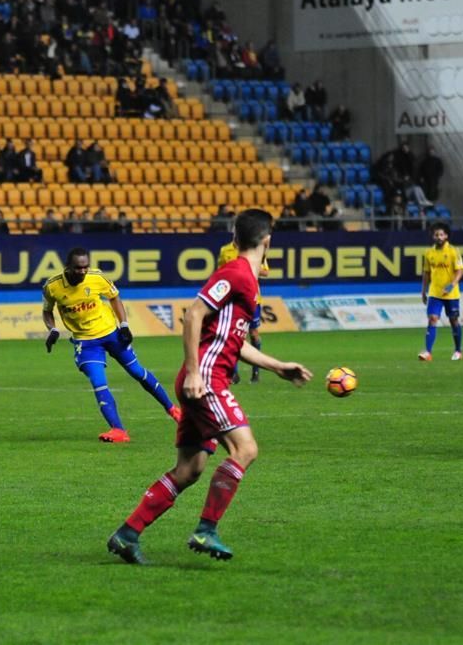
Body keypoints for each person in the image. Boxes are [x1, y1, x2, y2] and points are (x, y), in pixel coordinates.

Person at [106, 210, 313, 564]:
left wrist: (278, 366)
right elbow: (193, 314)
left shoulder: (247, 278)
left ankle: (127, 535)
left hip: (203, 375)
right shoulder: (236, 273)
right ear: (267, 241)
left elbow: (235, 342)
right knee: (245, 449)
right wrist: (194, 372)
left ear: (236, 239)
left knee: (190, 469)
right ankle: (206, 529)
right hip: (206, 378)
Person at [42, 248, 182, 443]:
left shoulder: (97, 277)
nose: (83, 271)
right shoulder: (52, 286)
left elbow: (114, 297)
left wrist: (124, 325)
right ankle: (118, 430)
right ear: (68, 267)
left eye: (85, 267)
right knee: (99, 382)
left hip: (110, 333)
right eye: (78, 268)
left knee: (137, 372)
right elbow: (47, 311)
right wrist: (52, 329)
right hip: (85, 341)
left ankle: (174, 411)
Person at [217, 234, 268, 384]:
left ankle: (256, 371)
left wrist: (245, 267)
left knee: (253, 333)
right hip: (232, 297)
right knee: (233, 334)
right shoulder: (225, 250)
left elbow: (265, 271)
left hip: (252, 297)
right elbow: (220, 271)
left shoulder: (254, 250)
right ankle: (233, 373)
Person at [419, 221, 463, 361]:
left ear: (446, 236)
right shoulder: (429, 253)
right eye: (436, 234)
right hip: (435, 293)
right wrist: (423, 291)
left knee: (453, 320)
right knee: (432, 319)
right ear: (433, 237)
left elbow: (460, 270)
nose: (438, 237)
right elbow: (426, 273)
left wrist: (452, 284)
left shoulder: (453, 251)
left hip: (451, 294)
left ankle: (458, 350)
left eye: (441, 234)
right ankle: (428, 352)